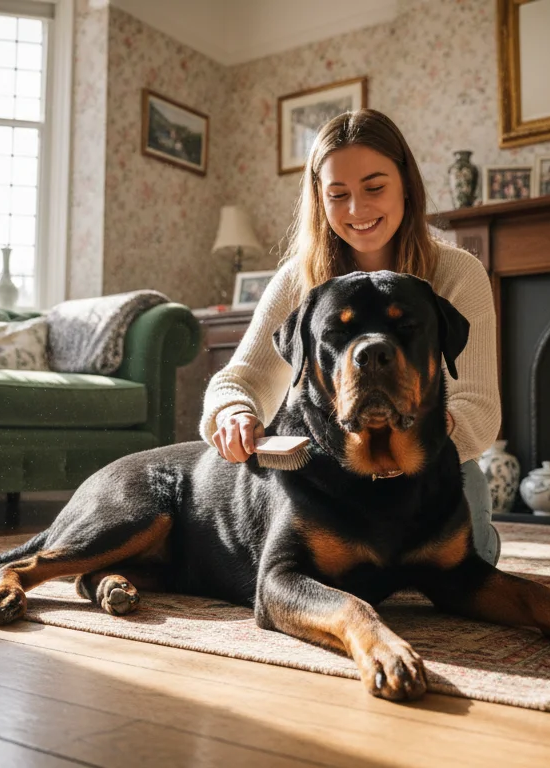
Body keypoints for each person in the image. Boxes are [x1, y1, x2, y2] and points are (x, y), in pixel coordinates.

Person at [200, 109, 503, 564]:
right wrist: (233, 413)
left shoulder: (459, 272)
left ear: (406, 184)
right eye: (338, 194)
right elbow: (237, 381)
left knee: (475, 553)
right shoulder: (296, 280)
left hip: (427, 465)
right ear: (319, 199)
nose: (357, 210)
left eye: (375, 188)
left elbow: (478, 410)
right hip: (331, 472)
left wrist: (400, 447)